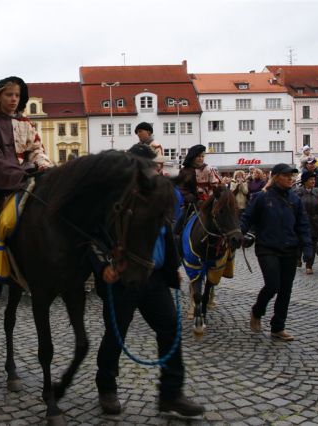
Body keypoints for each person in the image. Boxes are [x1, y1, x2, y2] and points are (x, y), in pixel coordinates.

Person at [90, 144, 204, 418]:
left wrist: (172, 265)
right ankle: (106, 387)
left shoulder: (158, 193)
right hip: (123, 278)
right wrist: (103, 266)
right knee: (116, 335)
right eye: (154, 166)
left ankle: (171, 394)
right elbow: (93, 237)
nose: (159, 170)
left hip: (154, 279)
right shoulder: (112, 197)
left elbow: (167, 231)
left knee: (170, 331)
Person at [0, 76, 53, 275]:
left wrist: (44, 165)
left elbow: (36, 148)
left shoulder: (26, 122)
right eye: (9, 94)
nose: (14, 99)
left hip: (26, 174)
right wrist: (15, 172)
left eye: (17, 95)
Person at [242, 164, 312, 342]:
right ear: (276, 177)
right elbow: (247, 218)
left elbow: (303, 224)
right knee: (273, 285)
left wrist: (307, 248)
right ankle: (257, 311)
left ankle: (278, 327)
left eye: (292, 176)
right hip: (267, 247)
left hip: (289, 248)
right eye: (287, 175)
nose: (291, 178)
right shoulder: (261, 197)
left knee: (286, 289)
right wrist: (237, 235)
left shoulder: (294, 199)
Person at [295, 172, 318, 274]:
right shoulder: (297, 192)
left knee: (312, 244)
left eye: (314, 179)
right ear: (304, 181)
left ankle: (309, 265)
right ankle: (298, 258)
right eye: (310, 179)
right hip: (300, 222)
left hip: (315, 222)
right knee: (299, 243)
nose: (313, 181)